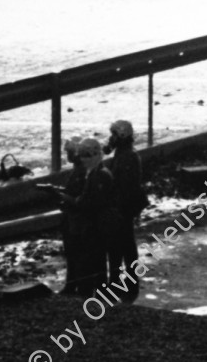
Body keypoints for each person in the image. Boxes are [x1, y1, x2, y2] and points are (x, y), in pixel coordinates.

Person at [56, 136, 114, 297]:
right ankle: (98, 293)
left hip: (91, 224)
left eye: (84, 155)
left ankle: (85, 294)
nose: (81, 159)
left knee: (87, 260)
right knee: (96, 261)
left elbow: (85, 202)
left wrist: (64, 197)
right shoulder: (97, 173)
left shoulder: (95, 175)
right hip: (97, 223)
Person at [104, 120, 147, 302]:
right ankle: (125, 283)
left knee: (121, 247)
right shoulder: (124, 154)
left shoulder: (127, 157)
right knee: (124, 247)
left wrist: (117, 209)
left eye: (114, 135)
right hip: (124, 208)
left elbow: (126, 187)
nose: (111, 138)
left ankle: (121, 283)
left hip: (123, 208)